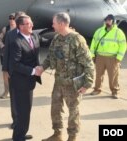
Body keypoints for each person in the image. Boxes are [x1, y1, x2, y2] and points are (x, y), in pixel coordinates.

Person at [38, 12, 94, 141]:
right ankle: (57, 134)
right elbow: (50, 57)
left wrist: (87, 84)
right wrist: (42, 67)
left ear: (62, 24)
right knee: (55, 108)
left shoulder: (77, 39)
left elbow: (88, 63)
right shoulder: (57, 38)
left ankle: (72, 137)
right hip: (59, 81)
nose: (52, 25)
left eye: (54, 23)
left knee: (73, 111)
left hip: (73, 83)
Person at [9, 15, 42, 141]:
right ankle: (18, 137)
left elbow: (44, 41)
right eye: (28, 23)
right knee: (23, 111)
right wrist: (34, 71)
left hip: (29, 81)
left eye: (31, 22)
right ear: (21, 26)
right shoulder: (16, 42)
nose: (32, 25)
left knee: (26, 110)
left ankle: (22, 132)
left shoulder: (33, 36)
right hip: (20, 82)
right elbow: (15, 64)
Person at [89, 14, 126, 99]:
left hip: (112, 58)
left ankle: (115, 91)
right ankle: (97, 89)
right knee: (98, 75)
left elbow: (123, 45)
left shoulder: (118, 32)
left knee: (113, 76)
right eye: (106, 20)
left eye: (109, 20)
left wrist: (119, 58)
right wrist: (93, 55)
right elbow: (93, 43)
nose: (107, 22)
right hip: (100, 57)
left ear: (113, 21)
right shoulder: (99, 31)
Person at [2, 11, 27, 131]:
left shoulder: (30, 34)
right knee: (15, 99)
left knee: (25, 101)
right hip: (14, 72)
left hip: (26, 73)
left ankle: (23, 126)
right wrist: (5, 70)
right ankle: (16, 121)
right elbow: (6, 53)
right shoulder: (10, 34)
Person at [0, 13, 16, 99]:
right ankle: (6, 91)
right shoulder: (6, 29)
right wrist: (2, 46)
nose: (11, 20)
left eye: (13, 18)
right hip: (6, 55)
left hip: (16, 54)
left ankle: (15, 91)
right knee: (5, 73)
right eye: (10, 18)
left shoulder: (20, 28)